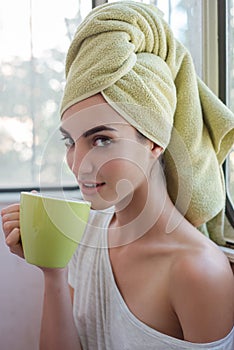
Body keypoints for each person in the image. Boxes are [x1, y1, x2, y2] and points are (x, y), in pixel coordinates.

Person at [1, 2, 234, 349]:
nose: (79, 164)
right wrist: (53, 271)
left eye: (102, 139)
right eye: (70, 141)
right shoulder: (86, 235)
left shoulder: (199, 272)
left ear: (154, 140)